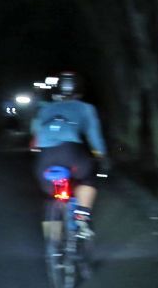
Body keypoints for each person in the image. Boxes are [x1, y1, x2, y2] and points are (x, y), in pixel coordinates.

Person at [29, 71, 108, 236]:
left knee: (51, 196)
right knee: (87, 179)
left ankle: (53, 246)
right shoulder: (86, 108)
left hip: (44, 159)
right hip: (71, 154)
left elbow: (35, 132)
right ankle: (81, 218)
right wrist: (101, 156)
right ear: (79, 91)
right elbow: (94, 136)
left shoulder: (45, 109)